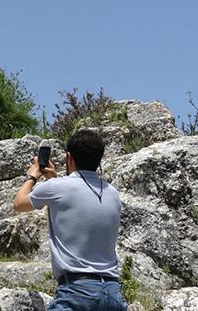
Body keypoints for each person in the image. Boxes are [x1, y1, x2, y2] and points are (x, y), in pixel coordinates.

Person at [13, 128, 126, 311]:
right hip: (112, 293)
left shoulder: (56, 188)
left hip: (76, 292)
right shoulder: (113, 194)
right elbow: (78, 198)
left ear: (69, 157)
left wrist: (33, 175)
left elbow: (19, 203)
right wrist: (56, 179)